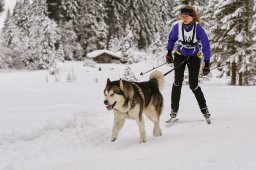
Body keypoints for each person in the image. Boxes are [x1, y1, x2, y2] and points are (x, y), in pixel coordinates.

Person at [165, 5, 211, 124]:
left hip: (194, 56)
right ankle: (173, 112)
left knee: (193, 85)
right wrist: (169, 52)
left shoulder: (198, 28)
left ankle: (205, 111)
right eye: (182, 16)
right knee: (177, 83)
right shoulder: (177, 27)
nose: (184, 18)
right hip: (180, 54)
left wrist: (207, 63)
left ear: (192, 17)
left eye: (186, 16)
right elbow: (171, 39)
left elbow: (206, 45)